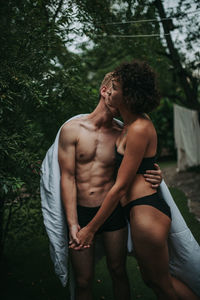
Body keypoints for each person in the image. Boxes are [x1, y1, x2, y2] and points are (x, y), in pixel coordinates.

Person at [75, 61, 199, 300]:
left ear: (129, 94)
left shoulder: (139, 128)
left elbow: (121, 186)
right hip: (139, 210)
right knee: (153, 281)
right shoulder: (130, 124)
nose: (110, 91)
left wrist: (91, 229)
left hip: (146, 213)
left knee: (163, 285)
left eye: (116, 87)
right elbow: (139, 165)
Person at [58, 72, 162, 300]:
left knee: (118, 271)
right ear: (105, 91)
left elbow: (137, 165)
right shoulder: (72, 130)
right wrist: (73, 223)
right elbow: (67, 178)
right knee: (83, 280)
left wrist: (156, 174)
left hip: (112, 213)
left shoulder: (123, 133)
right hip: (81, 213)